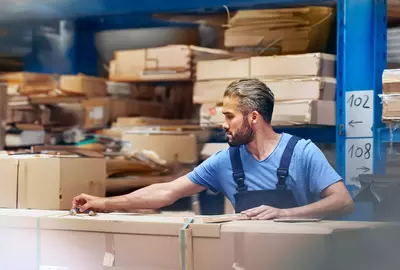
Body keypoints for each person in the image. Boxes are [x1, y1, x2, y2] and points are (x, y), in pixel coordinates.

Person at [72, 78, 354, 220]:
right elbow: (166, 192)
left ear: (253, 117)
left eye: (230, 116)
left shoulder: (302, 152)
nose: (224, 124)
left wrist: (285, 214)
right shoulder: (225, 162)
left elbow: (343, 201)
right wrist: (104, 203)